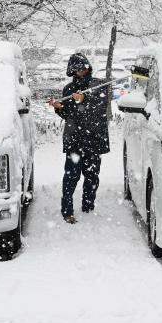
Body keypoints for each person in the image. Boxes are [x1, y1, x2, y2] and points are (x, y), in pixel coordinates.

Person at [49, 53, 110, 224]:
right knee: (71, 177)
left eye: (84, 67)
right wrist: (59, 107)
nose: (82, 71)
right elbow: (68, 115)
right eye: (78, 69)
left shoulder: (99, 85)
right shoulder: (68, 89)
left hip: (94, 139)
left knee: (92, 176)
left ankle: (88, 207)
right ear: (72, 71)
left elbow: (101, 108)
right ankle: (67, 210)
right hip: (74, 140)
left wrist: (85, 99)